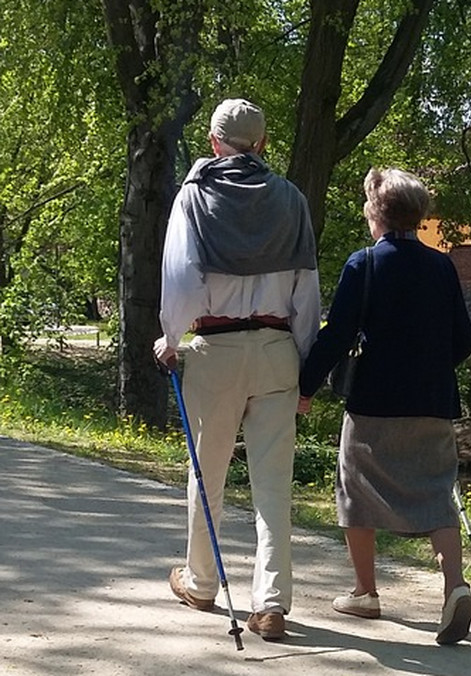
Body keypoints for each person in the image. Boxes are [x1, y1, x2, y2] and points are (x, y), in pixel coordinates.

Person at [154, 98, 320, 642]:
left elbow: (181, 277)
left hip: (216, 348)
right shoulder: (292, 200)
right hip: (277, 349)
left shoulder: (195, 196)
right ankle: (271, 603)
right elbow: (306, 292)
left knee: (208, 472)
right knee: (273, 484)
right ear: (264, 144)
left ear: (212, 140)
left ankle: (202, 582)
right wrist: (305, 361)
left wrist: (171, 338)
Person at [297, 168, 471, 645]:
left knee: (356, 490)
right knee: (437, 492)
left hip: (373, 401)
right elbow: (464, 340)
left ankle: (365, 591)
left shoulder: (364, 264)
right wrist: (430, 369)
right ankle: (455, 586)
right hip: (433, 401)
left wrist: (305, 386)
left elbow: (336, 335)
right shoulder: (442, 266)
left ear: (375, 212)